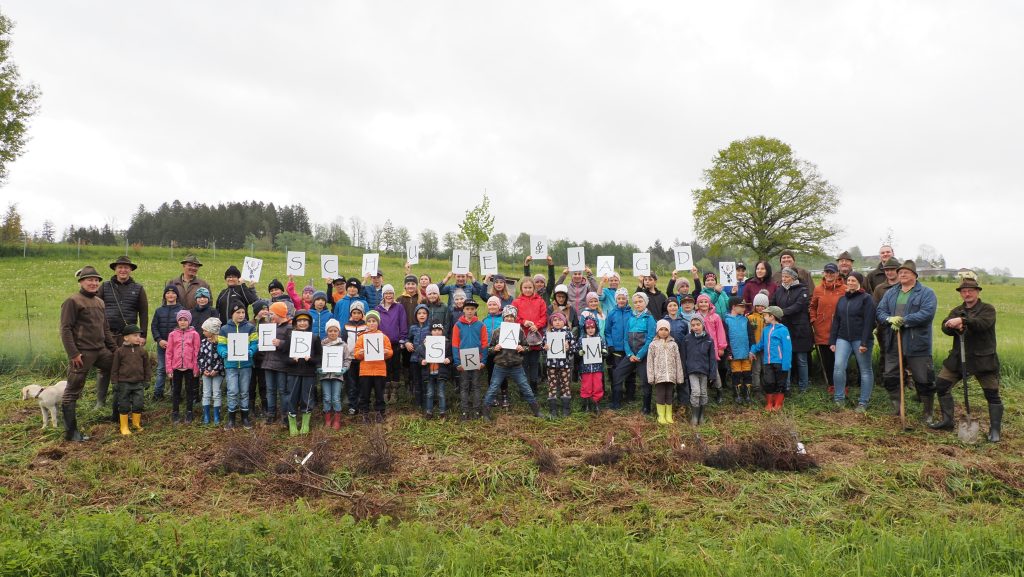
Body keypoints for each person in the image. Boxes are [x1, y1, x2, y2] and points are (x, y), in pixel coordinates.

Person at [931, 276, 1002, 441]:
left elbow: (983, 324)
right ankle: (947, 421)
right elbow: (945, 326)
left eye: (970, 290)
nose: (967, 293)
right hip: (958, 357)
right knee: (941, 386)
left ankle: (995, 431)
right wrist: (950, 325)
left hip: (983, 359)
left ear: (977, 292)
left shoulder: (987, 309)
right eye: (964, 291)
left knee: (992, 394)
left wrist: (963, 321)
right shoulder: (956, 310)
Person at [876, 260, 937, 421]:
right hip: (893, 341)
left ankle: (928, 412)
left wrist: (903, 320)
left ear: (915, 276)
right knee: (891, 376)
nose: (902, 274)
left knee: (923, 378)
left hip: (916, 342)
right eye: (900, 272)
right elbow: (880, 310)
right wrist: (889, 319)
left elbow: (927, 313)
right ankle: (898, 408)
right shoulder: (891, 293)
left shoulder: (926, 293)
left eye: (906, 272)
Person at [95, 255, 149, 412]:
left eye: (126, 267)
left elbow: (144, 313)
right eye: (120, 267)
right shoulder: (104, 287)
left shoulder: (138, 288)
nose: (123, 270)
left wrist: (143, 335)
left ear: (131, 270)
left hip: (129, 337)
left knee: (129, 368)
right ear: (115, 269)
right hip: (108, 334)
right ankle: (100, 401)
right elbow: (96, 309)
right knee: (104, 368)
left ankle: (123, 400)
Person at [481, 306, 543, 420]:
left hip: (516, 366)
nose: (509, 319)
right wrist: (495, 348)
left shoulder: (519, 331)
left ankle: (536, 410)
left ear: (514, 318)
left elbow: (527, 347)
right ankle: (485, 412)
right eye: (507, 316)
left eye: (511, 316)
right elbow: (489, 349)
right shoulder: (497, 332)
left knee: (525, 387)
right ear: (503, 317)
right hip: (500, 365)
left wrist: (522, 349)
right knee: (493, 387)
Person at [829, 272, 875, 412]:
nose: (850, 282)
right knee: (838, 367)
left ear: (859, 282)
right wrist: (832, 340)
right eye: (848, 280)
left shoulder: (866, 299)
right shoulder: (842, 299)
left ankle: (863, 402)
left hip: (860, 339)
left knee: (865, 370)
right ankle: (839, 398)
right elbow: (836, 320)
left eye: (853, 280)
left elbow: (869, 322)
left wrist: (864, 342)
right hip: (843, 338)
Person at [613, 292, 656, 413]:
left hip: (643, 355)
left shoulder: (649, 318)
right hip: (631, 355)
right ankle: (616, 402)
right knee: (617, 374)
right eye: (635, 302)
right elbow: (626, 338)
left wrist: (640, 355)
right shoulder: (631, 317)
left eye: (640, 301)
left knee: (645, 380)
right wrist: (629, 354)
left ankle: (646, 407)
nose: (638, 304)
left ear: (645, 302)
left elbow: (650, 339)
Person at [217, 302, 257, 430]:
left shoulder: (250, 327)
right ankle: (231, 418)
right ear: (232, 314)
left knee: (244, 391)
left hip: (246, 365)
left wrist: (251, 351)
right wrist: (223, 352)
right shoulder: (224, 329)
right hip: (231, 365)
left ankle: (245, 418)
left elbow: (254, 343)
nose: (241, 315)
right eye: (238, 313)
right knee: (232, 391)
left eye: (243, 312)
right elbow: (221, 345)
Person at [773, 267, 812, 394]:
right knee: (786, 359)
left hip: (800, 329)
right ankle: (787, 386)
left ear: (794, 277)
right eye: (783, 277)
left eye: (787, 277)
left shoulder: (803, 290)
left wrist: (781, 313)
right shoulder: (779, 290)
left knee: (801, 359)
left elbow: (798, 306)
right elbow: (773, 303)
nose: (784, 279)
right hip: (784, 329)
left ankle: (804, 387)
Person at [284, 310, 322, 436]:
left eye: (305, 320)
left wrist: (311, 360)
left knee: (308, 397)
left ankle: (305, 424)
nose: (302, 323)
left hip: (309, 373)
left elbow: (320, 358)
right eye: (299, 320)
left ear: (309, 323)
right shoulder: (290, 338)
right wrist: (291, 360)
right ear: (295, 323)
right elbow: (283, 357)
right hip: (293, 372)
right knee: (292, 397)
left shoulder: (315, 338)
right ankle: (292, 424)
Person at [810, 263, 845, 393]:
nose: (829, 275)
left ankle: (842, 385)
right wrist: (814, 319)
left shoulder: (844, 289)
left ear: (837, 274)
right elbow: (812, 306)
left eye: (832, 272)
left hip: (840, 330)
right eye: (827, 272)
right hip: (822, 330)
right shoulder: (818, 289)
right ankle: (831, 385)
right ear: (824, 273)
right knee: (827, 361)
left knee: (840, 361)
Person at [749, 306, 792, 412]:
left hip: (780, 362)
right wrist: (753, 350)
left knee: (780, 383)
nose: (764, 317)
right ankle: (769, 403)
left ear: (772, 317)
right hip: (768, 361)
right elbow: (761, 343)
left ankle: (778, 404)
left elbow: (787, 348)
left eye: (765, 315)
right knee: (769, 382)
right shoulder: (766, 329)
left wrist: (786, 364)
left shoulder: (783, 330)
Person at [110, 323, 149, 436]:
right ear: (126, 337)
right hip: (124, 383)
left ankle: (136, 424)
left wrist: (147, 380)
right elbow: (115, 368)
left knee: (138, 404)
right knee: (124, 405)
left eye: (139, 335)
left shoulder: (142, 351)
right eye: (135, 335)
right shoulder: (119, 352)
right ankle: (124, 426)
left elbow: (146, 367)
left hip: (138, 383)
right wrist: (114, 382)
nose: (138, 338)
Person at [354, 310, 394, 417]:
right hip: (365, 371)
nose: (372, 323)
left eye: (374, 321)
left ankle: (380, 412)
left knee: (379, 394)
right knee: (364, 394)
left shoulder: (383, 337)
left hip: (379, 370)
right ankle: (364, 412)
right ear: (366, 323)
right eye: (369, 321)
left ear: (378, 323)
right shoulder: (362, 337)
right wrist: (360, 353)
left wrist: (386, 353)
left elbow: (390, 352)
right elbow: (356, 353)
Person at [452, 299, 488, 420]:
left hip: (477, 360)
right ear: (463, 310)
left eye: (472, 309)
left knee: (476, 385)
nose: (470, 311)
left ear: (475, 310)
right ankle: (464, 411)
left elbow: (484, 343)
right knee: (464, 386)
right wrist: (457, 362)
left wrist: (483, 361)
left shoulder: (481, 325)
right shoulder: (457, 325)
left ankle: (476, 410)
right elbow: (455, 344)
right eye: (467, 309)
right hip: (463, 361)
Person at [511, 277, 548, 393]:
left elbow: (544, 317)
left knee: (534, 362)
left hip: (536, 337)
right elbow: (513, 317)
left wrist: (537, 325)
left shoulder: (540, 301)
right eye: (525, 287)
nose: (527, 290)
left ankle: (534, 385)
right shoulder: (516, 302)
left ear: (534, 288)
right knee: (523, 363)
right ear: (521, 288)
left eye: (530, 287)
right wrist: (523, 322)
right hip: (522, 338)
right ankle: (524, 387)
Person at [260, 302, 293, 424]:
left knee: (283, 390)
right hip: (268, 363)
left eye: (272, 313)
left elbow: (292, 345)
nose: (270, 315)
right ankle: (271, 414)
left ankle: (285, 416)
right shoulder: (270, 326)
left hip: (282, 365)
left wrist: (281, 343)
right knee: (270, 390)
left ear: (279, 313)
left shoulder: (289, 327)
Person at [682, 317, 718, 425]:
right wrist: (684, 372)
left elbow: (712, 358)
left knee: (703, 392)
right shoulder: (687, 339)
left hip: (704, 370)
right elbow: (683, 357)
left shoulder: (709, 340)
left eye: (698, 324)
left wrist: (712, 374)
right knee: (696, 392)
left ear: (703, 325)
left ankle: (701, 415)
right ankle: (694, 416)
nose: (695, 327)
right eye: (693, 325)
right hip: (692, 370)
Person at [647, 319, 684, 425]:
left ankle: (668, 415)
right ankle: (661, 416)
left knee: (669, 395)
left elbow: (678, 361)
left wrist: (679, 376)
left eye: (666, 329)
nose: (663, 332)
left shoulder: (674, 344)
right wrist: (651, 376)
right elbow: (650, 362)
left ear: (669, 331)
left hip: (671, 375)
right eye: (661, 329)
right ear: (657, 330)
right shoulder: (653, 345)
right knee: (660, 395)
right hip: (659, 376)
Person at [375, 284, 408, 404]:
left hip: (395, 343)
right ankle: (385, 391)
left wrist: (402, 339)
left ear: (394, 295)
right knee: (385, 367)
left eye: (391, 293)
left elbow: (403, 323)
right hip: (382, 344)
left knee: (396, 366)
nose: (389, 295)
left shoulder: (399, 307)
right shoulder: (378, 309)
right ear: (383, 295)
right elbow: (375, 325)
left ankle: (394, 392)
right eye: (386, 293)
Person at [166, 310, 200, 424]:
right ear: (177, 321)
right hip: (176, 368)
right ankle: (175, 412)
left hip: (189, 368)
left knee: (189, 391)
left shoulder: (195, 334)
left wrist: (196, 368)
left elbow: (196, 352)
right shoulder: (172, 335)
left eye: (185, 320)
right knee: (176, 391)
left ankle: (189, 412)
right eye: (180, 320)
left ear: (189, 321)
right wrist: (169, 369)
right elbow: (169, 352)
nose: (183, 322)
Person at [150, 285, 184, 401]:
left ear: (177, 296)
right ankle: (158, 394)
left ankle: (175, 394)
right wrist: (159, 340)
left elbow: (184, 327)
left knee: (175, 370)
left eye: (173, 293)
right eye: (168, 293)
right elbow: (154, 326)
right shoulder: (159, 311)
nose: (171, 295)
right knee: (161, 369)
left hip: (177, 346)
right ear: (165, 295)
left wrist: (175, 341)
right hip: (162, 345)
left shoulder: (181, 310)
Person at [543, 311, 576, 418]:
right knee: (552, 385)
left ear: (565, 321)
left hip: (565, 365)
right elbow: (542, 347)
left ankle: (566, 408)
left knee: (565, 385)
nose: (557, 322)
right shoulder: (548, 333)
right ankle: (553, 409)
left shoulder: (568, 333)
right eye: (555, 320)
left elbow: (575, 348)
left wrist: (569, 348)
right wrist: (545, 348)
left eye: (560, 320)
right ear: (552, 322)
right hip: (551, 365)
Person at [694, 294, 727, 401]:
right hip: (699, 348)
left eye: (705, 302)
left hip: (712, 348)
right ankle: (703, 392)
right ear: (697, 304)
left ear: (709, 304)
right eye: (701, 302)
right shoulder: (695, 316)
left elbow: (720, 332)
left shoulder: (715, 317)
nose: (703, 304)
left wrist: (721, 347)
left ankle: (719, 390)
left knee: (714, 370)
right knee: (702, 370)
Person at [723, 296, 756, 404]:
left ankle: (747, 395)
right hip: (734, 354)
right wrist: (728, 352)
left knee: (747, 374)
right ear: (733, 307)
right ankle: (737, 395)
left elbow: (751, 336)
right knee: (736, 375)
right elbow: (725, 338)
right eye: (741, 307)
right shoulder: (726, 320)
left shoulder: (745, 319)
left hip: (746, 353)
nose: (744, 309)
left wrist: (752, 350)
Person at [319, 318, 350, 430]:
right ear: (327, 332)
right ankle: (327, 419)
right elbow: (318, 359)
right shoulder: (322, 345)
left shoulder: (343, 345)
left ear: (339, 332)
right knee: (327, 397)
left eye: (335, 331)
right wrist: (319, 368)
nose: (332, 333)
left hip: (337, 376)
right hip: (325, 376)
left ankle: (337, 420)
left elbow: (347, 359)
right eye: (330, 331)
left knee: (336, 398)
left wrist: (344, 369)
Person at [419, 322, 451, 418]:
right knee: (429, 393)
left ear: (442, 331)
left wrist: (448, 359)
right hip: (429, 372)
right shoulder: (425, 342)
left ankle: (442, 412)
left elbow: (450, 356)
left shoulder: (447, 343)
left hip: (441, 371)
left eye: (439, 330)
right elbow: (420, 356)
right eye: (434, 330)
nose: (437, 332)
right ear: (431, 332)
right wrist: (422, 361)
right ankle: (429, 412)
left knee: (441, 393)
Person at [197, 317, 224, 426]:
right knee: (206, 393)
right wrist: (203, 370)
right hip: (206, 373)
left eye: (205, 330)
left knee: (216, 393)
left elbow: (222, 359)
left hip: (217, 373)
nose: (203, 332)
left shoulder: (220, 343)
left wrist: (216, 369)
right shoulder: (203, 342)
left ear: (212, 331)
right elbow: (200, 357)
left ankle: (217, 416)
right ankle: (206, 416)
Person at [342, 301, 368, 414]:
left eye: (359, 312)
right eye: (354, 312)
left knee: (363, 383)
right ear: (351, 313)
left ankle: (362, 404)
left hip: (363, 359)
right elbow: (343, 341)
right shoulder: (346, 326)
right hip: (351, 359)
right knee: (351, 383)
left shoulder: (366, 326)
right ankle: (352, 405)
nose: (356, 315)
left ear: (362, 314)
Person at [577, 318, 606, 413]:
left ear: (596, 328)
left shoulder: (599, 338)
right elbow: (577, 350)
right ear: (585, 329)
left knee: (598, 385)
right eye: (588, 327)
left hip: (597, 368)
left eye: (592, 327)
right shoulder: (582, 339)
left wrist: (604, 351)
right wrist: (579, 352)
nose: (590, 329)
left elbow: (604, 349)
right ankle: (587, 404)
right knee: (586, 385)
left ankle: (596, 403)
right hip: (585, 368)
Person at [407, 304, 431, 410]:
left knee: (425, 380)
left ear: (427, 315)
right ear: (416, 315)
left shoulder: (430, 328)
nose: (422, 315)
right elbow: (408, 339)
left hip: (426, 360)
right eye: (419, 313)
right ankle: (418, 403)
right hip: (414, 359)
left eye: (424, 313)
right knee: (416, 381)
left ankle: (427, 402)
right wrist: (407, 343)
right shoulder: (412, 328)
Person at [747, 292, 769, 402]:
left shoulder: (768, 318)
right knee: (756, 369)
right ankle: (756, 388)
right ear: (754, 306)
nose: (760, 308)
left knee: (765, 369)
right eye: (758, 305)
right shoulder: (750, 318)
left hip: (766, 348)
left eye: (763, 306)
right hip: (755, 348)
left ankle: (765, 387)